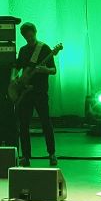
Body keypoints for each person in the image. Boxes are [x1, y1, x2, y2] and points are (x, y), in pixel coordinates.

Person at [13, 21, 61, 167]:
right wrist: (15, 78)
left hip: (40, 92)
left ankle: (52, 154)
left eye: (30, 35)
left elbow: (53, 70)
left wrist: (44, 70)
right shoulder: (23, 50)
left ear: (35, 32)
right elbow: (17, 66)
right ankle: (26, 156)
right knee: (24, 125)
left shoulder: (45, 48)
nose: (29, 38)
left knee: (46, 123)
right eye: (26, 37)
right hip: (25, 92)